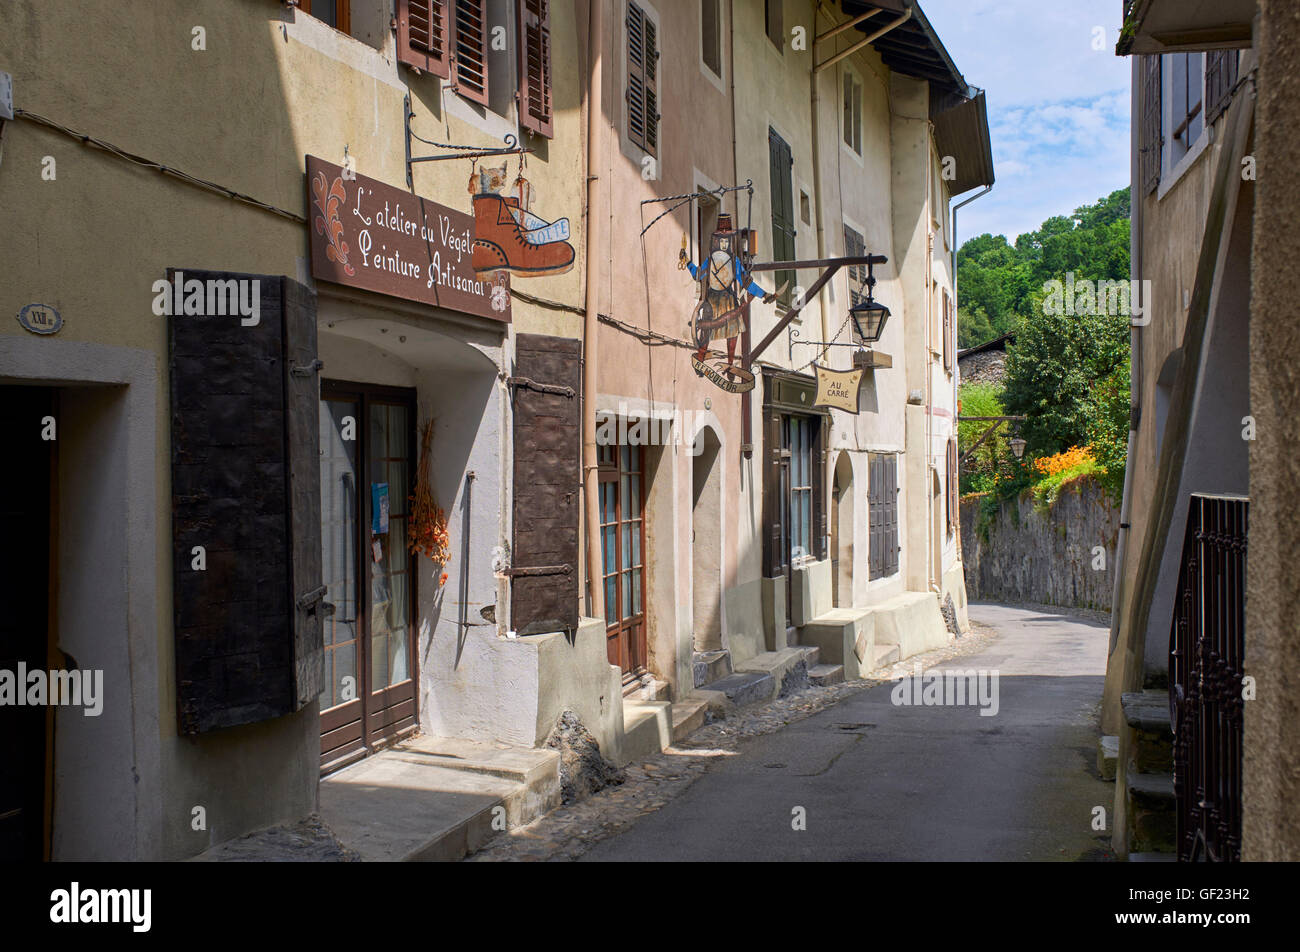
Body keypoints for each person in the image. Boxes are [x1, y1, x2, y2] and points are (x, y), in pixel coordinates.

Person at [678, 214, 776, 374]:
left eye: (726, 241)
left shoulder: (734, 261)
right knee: (706, 331)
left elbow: (746, 282)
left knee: (733, 331)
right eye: (721, 240)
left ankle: (731, 364)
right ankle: (701, 358)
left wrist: (764, 295)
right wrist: (688, 262)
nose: (723, 244)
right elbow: (698, 275)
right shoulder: (709, 260)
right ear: (716, 241)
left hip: (729, 298)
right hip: (712, 297)